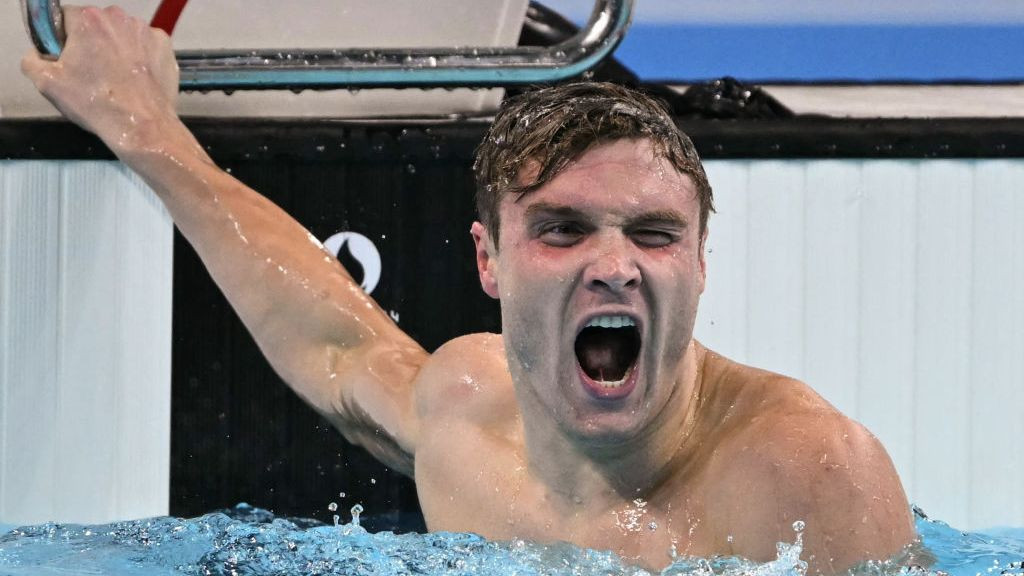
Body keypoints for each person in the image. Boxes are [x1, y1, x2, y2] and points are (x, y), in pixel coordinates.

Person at [21, 6, 915, 573]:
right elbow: (336, 343)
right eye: (564, 230)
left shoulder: (805, 478)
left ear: (701, 261)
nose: (615, 264)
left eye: (653, 233)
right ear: (489, 260)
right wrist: (144, 127)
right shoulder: (469, 416)